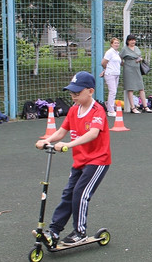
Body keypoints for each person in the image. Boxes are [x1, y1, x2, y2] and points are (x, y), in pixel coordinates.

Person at [35, 71, 111, 246]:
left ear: (90, 91)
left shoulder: (97, 111)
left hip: (97, 160)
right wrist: (46, 140)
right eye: (71, 93)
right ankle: (54, 231)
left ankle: (80, 232)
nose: (73, 96)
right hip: (80, 161)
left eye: (77, 93)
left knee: (80, 194)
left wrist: (68, 144)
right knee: (68, 193)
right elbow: (62, 131)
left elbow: (93, 133)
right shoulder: (73, 110)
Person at [120, 34, 152, 114]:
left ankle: (145, 106)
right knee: (130, 88)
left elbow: (139, 56)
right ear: (128, 41)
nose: (133, 41)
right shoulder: (124, 49)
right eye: (131, 40)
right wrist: (124, 64)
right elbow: (119, 58)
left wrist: (139, 59)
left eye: (134, 40)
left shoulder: (137, 48)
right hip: (128, 70)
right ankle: (133, 107)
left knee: (141, 88)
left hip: (137, 69)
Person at [100, 37, 122, 117]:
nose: (116, 44)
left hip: (116, 74)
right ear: (111, 44)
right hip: (110, 74)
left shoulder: (117, 53)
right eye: (115, 43)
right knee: (112, 91)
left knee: (114, 91)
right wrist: (106, 69)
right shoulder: (109, 52)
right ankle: (110, 110)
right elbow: (103, 62)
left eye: (118, 43)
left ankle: (110, 106)